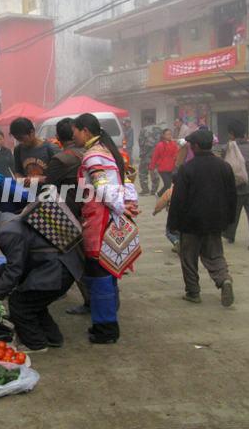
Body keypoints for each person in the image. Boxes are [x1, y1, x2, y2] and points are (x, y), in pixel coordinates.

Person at [0, 201, 83, 351]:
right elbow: (18, 257)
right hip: (59, 265)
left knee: (19, 302)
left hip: (57, 269)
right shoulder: (5, 219)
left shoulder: (6, 230)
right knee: (34, 302)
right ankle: (53, 338)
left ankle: (36, 344)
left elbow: (15, 268)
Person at [73, 113, 140, 344]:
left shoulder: (93, 156)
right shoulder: (109, 151)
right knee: (108, 271)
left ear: (85, 131)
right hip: (111, 217)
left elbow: (103, 187)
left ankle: (106, 328)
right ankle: (106, 323)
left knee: (99, 273)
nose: (74, 136)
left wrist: (120, 207)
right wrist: (128, 206)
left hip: (100, 220)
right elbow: (127, 181)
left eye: (75, 132)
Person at [167, 130, 236, 307]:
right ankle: (224, 279)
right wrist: (229, 219)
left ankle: (193, 292)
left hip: (191, 223)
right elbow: (231, 196)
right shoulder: (224, 166)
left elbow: (178, 199)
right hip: (215, 221)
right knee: (215, 255)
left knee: (189, 258)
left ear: (196, 146)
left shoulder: (187, 169)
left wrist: (172, 224)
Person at [42, 118, 89, 315]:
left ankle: (90, 301)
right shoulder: (91, 154)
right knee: (91, 259)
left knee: (76, 260)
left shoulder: (61, 159)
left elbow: (48, 189)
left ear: (59, 138)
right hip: (92, 212)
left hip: (69, 215)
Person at [222, 120, 249, 252]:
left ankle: (230, 235)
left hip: (235, 187)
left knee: (233, 213)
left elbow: (225, 166)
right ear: (244, 132)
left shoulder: (228, 148)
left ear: (232, 133)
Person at [10, 117, 59, 181]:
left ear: (32, 132)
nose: (21, 142)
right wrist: (19, 179)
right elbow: (18, 172)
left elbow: (58, 175)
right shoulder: (18, 150)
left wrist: (39, 179)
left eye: (22, 138)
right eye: (18, 139)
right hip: (28, 189)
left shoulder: (50, 148)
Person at [149, 128, 178, 197]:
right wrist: (152, 167)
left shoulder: (174, 144)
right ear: (163, 135)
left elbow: (176, 154)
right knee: (167, 184)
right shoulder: (160, 145)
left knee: (170, 185)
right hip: (162, 168)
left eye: (170, 134)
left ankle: (167, 197)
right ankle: (159, 194)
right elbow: (155, 156)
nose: (169, 136)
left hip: (171, 168)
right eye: (167, 134)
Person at [138, 123, 163, 195]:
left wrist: (142, 153)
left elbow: (141, 142)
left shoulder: (143, 129)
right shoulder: (159, 129)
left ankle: (145, 190)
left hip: (146, 155)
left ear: (146, 121)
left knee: (143, 172)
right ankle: (154, 190)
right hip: (156, 155)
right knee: (154, 172)